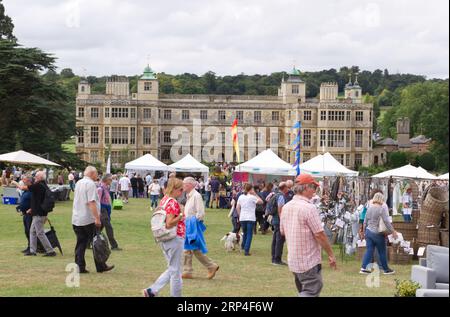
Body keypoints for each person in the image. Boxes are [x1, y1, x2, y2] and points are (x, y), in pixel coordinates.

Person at [281, 174, 337, 297]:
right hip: (308, 261)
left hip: (294, 259)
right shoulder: (309, 208)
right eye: (314, 188)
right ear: (306, 188)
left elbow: (282, 231)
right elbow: (320, 235)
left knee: (305, 290)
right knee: (311, 290)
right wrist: (331, 255)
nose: (315, 191)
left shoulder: (286, 207)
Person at [143, 178, 185, 297]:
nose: (182, 192)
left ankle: (152, 290)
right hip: (174, 238)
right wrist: (181, 215)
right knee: (175, 272)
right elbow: (169, 223)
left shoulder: (164, 200)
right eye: (181, 189)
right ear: (175, 189)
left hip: (164, 238)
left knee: (172, 268)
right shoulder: (173, 202)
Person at [72, 166, 114, 274]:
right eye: (96, 174)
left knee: (81, 243)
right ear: (92, 173)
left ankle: (79, 266)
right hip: (88, 218)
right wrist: (97, 218)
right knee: (97, 242)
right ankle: (101, 265)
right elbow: (91, 202)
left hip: (77, 218)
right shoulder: (90, 184)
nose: (98, 176)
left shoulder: (79, 183)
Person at [181, 177, 219, 280]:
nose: (182, 186)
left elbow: (200, 213)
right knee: (188, 249)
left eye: (184, 184)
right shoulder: (189, 195)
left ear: (190, 185)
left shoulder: (196, 196)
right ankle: (187, 271)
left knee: (194, 249)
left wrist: (193, 223)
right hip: (188, 224)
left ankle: (211, 266)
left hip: (193, 225)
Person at [360, 192, 398, 275]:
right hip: (378, 233)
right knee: (382, 251)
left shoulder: (370, 208)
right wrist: (393, 231)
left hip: (369, 231)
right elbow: (386, 221)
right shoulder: (382, 208)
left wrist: (363, 232)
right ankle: (386, 269)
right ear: (381, 199)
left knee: (369, 250)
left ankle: (363, 267)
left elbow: (365, 221)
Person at [23, 171, 56, 257]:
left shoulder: (38, 185)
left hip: (39, 213)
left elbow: (28, 187)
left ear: (40, 178)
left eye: (36, 177)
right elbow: (38, 200)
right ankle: (32, 250)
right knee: (32, 232)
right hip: (39, 212)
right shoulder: (43, 185)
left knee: (39, 233)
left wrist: (26, 180)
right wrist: (31, 209)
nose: (35, 178)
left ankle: (50, 251)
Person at [236, 183, 263, 256]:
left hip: (243, 217)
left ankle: (243, 246)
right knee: (249, 234)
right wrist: (255, 194)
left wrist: (239, 215)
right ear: (251, 189)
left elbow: (237, 207)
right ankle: (246, 250)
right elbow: (261, 201)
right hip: (250, 217)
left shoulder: (241, 196)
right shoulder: (252, 197)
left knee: (245, 233)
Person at [97, 173, 121, 251]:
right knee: (109, 227)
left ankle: (88, 242)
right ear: (106, 180)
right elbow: (98, 202)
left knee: (98, 229)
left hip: (106, 210)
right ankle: (114, 245)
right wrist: (99, 213)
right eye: (110, 179)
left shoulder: (106, 188)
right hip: (102, 210)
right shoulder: (100, 189)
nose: (112, 181)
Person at [271, 182, 289, 265]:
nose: (288, 189)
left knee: (275, 239)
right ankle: (277, 259)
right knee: (279, 240)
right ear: (284, 188)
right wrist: (283, 221)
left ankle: (274, 258)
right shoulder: (281, 196)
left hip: (275, 219)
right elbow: (280, 209)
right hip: (279, 220)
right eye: (287, 188)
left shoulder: (275, 194)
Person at [17, 175, 33, 254]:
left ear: (29, 181)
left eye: (25, 180)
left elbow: (36, 202)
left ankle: (32, 248)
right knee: (27, 231)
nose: (23, 182)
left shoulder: (32, 190)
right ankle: (29, 246)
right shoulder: (26, 190)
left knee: (30, 231)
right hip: (25, 214)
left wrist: (31, 209)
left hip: (30, 214)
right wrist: (20, 207)